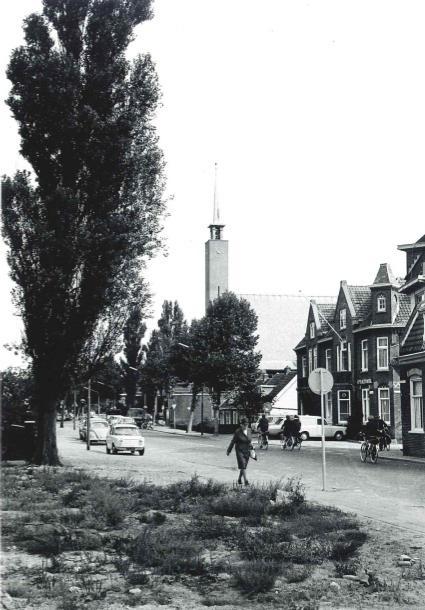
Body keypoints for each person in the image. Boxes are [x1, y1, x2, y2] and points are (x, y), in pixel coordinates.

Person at [226, 417, 253, 486]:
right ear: (241, 425)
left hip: (247, 450)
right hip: (239, 450)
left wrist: (252, 449)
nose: (245, 426)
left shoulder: (249, 430)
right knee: (243, 465)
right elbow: (233, 441)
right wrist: (229, 450)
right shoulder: (238, 431)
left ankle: (239, 479)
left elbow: (250, 441)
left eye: (247, 424)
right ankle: (246, 481)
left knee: (244, 466)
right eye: (244, 425)